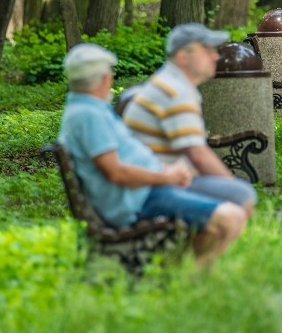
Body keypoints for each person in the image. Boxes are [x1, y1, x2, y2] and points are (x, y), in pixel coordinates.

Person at [58, 43, 246, 267]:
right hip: (138, 200)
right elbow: (116, 173)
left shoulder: (88, 109)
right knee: (231, 218)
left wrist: (166, 172)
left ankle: (178, 271)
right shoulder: (89, 116)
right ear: (104, 79)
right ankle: (190, 282)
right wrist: (167, 177)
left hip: (143, 191)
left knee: (228, 200)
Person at [122, 23, 258, 219]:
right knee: (242, 194)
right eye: (207, 50)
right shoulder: (176, 91)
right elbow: (198, 154)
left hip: (153, 180)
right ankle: (201, 250)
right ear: (183, 57)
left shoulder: (169, 82)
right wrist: (231, 183)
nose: (216, 56)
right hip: (155, 187)